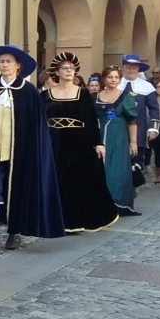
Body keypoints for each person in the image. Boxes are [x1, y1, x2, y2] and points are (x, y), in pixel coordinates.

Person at [0, 44, 64, 250]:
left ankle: (15, 232)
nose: (4, 65)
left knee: (18, 190)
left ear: (18, 65)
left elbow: (35, 125)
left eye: (8, 61)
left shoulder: (28, 92)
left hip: (20, 150)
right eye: (1, 61)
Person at [41, 53, 118, 232]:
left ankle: (81, 219)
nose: (69, 71)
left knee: (79, 180)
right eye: (65, 68)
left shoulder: (83, 94)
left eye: (72, 68)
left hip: (78, 141)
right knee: (58, 180)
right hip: (53, 141)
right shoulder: (45, 95)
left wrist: (98, 143)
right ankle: (61, 221)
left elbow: (90, 120)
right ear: (57, 72)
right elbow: (40, 121)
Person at [94, 66, 140, 215]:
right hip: (99, 134)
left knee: (117, 169)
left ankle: (119, 203)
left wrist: (133, 142)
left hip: (118, 136)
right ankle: (101, 203)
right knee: (100, 168)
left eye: (116, 77)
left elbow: (132, 120)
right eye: (110, 77)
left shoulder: (125, 96)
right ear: (104, 79)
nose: (113, 80)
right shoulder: (95, 96)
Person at [117, 54, 159, 177]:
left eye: (134, 68)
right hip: (118, 128)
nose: (131, 70)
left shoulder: (146, 86)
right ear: (124, 67)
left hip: (139, 129)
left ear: (138, 69)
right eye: (129, 67)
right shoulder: (116, 83)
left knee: (135, 160)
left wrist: (153, 127)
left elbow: (154, 108)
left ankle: (134, 183)